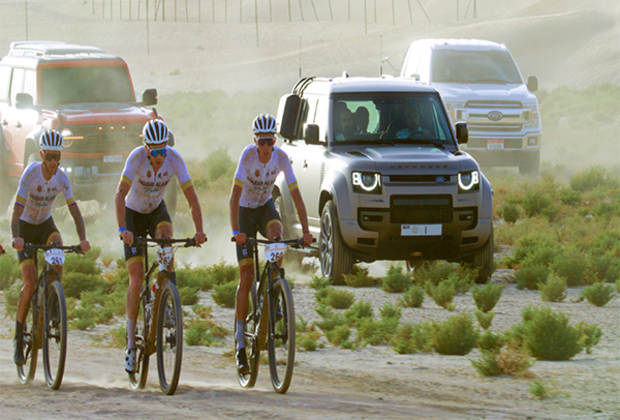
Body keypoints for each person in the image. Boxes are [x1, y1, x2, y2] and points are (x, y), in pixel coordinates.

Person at [115, 119, 206, 373]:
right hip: (133, 215)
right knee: (135, 280)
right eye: (154, 151)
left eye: (162, 150)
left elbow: (192, 197)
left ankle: (165, 292)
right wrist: (123, 229)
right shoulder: (135, 159)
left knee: (167, 237)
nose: (159, 156)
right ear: (146, 148)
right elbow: (120, 194)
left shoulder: (174, 158)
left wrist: (199, 231)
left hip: (156, 210)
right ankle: (131, 343)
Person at [230, 114, 313, 374]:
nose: (266, 147)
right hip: (244, 211)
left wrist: (307, 231)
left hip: (264, 207)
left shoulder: (280, 157)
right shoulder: (247, 156)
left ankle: (273, 287)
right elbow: (233, 197)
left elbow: (296, 195)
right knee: (246, 277)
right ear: (255, 141)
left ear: (274, 140)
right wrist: (236, 231)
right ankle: (241, 344)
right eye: (262, 142)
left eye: (270, 141)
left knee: (278, 234)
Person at [11, 129, 90, 365]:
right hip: (25, 227)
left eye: (58, 157)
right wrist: (15, 237)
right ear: (42, 154)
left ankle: (54, 303)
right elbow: (15, 213)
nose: (54, 162)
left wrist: (83, 239)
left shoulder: (61, 178)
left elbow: (75, 211)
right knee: (30, 282)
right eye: (50, 157)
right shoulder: (30, 174)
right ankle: (17, 336)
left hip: (45, 224)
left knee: (57, 249)